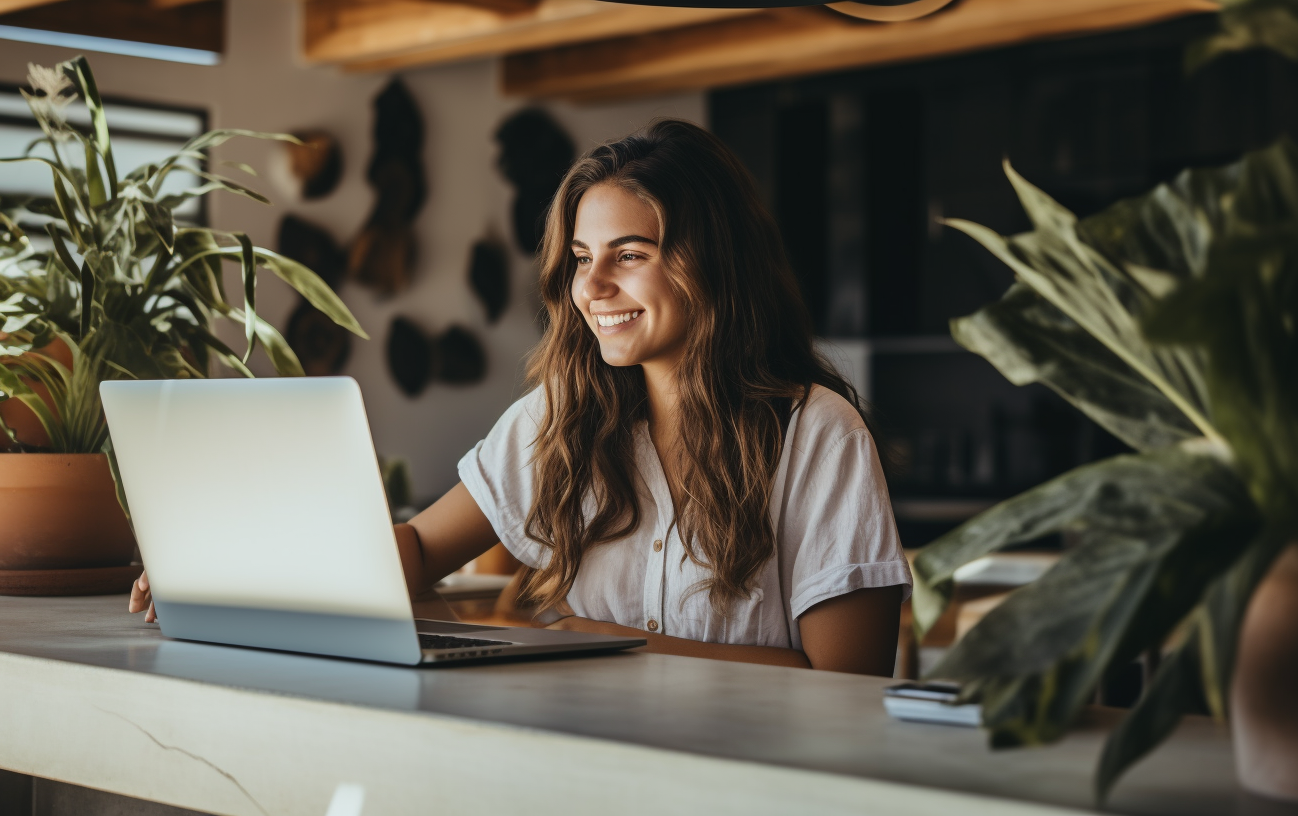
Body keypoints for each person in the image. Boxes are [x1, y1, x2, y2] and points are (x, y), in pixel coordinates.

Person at [133, 119, 910, 674]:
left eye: (629, 255)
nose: (593, 288)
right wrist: (229, 572)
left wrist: (603, 641)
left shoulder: (817, 434)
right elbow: (415, 551)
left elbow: (846, 682)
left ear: (714, 263)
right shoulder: (558, 418)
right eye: (580, 258)